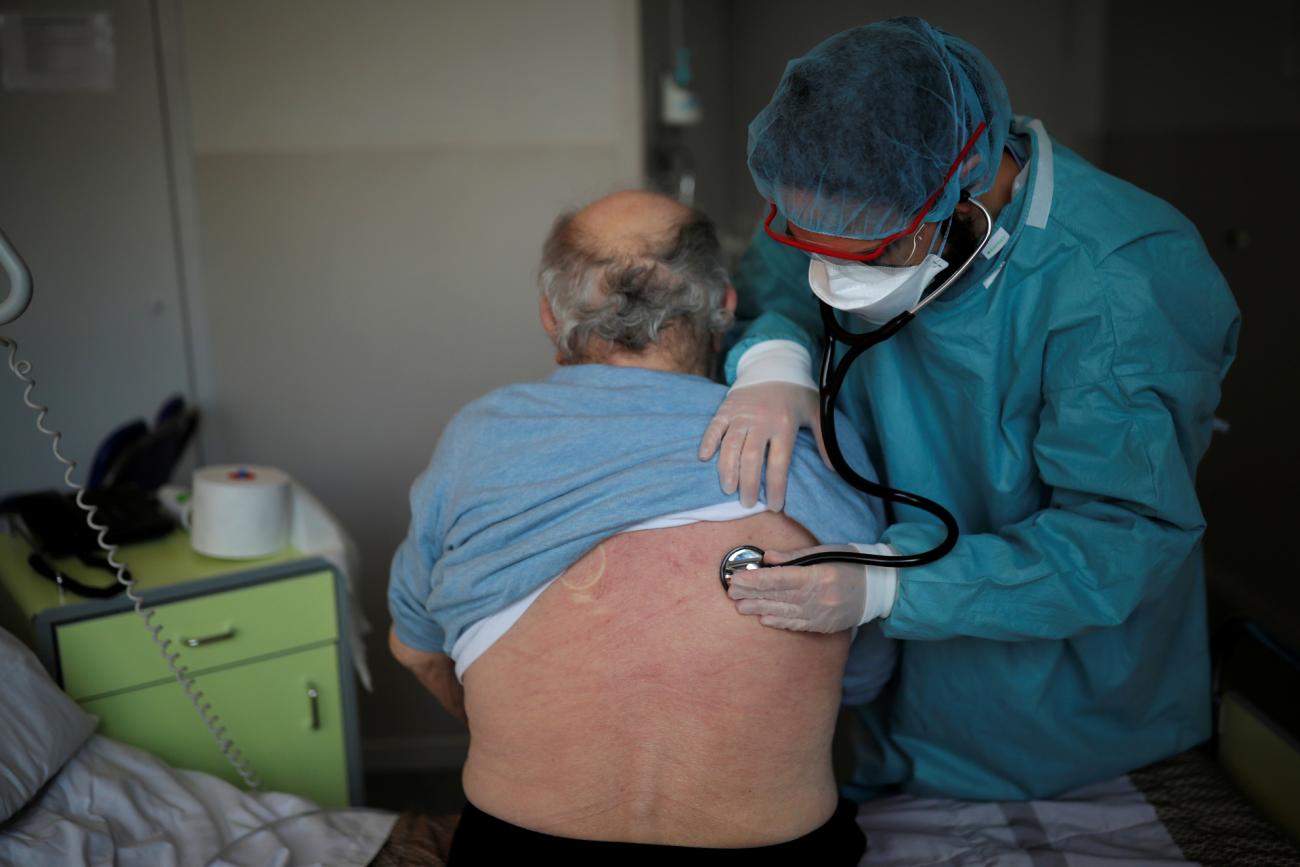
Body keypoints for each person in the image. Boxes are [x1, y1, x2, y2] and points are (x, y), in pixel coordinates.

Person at [698, 17, 1241, 801]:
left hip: (1069, 723)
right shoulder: (838, 177)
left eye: (874, 251)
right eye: (810, 239)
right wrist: (775, 357)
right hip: (898, 707)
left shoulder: (1119, 280)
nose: (832, 276)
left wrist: (891, 589)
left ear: (966, 200)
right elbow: (778, 289)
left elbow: (1122, 540)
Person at [387, 191, 894, 863]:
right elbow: (864, 676)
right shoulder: (816, 444)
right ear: (725, 304)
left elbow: (417, 649)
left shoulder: (479, 440)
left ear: (550, 315)